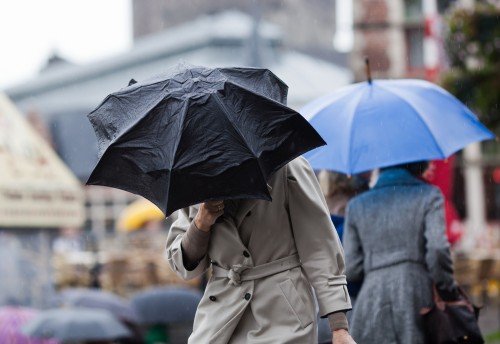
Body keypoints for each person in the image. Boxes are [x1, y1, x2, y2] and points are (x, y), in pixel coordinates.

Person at [165, 156, 356, 343]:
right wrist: (201, 223)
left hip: (283, 314)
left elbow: (319, 246)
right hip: (220, 317)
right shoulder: (193, 179)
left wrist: (338, 325)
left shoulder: (287, 166)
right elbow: (184, 266)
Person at [343, 161, 460, 344]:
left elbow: (351, 268)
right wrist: (447, 289)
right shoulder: (428, 195)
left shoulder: (356, 205)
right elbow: (437, 250)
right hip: (416, 295)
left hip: (371, 300)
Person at [316, 170, 369, 344]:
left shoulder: (316, 203)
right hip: (351, 310)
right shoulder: (359, 206)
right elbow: (352, 270)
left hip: (320, 310)